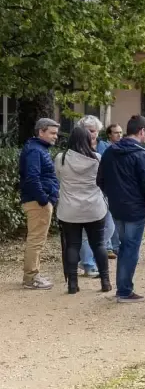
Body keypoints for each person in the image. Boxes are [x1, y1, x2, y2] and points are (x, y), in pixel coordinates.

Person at [97, 115, 145, 304]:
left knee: (123, 246)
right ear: (142, 131)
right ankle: (124, 290)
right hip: (135, 208)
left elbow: (100, 180)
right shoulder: (142, 154)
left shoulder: (109, 152)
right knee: (130, 248)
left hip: (116, 206)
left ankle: (122, 288)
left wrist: (113, 195)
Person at [55, 126, 112, 294]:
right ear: (88, 140)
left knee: (72, 245)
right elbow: (103, 180)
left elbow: (58, 177)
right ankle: (105, 281)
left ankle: (72, 284)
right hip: (94, 207)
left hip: (69, 209)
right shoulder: (97, 158)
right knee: (99, 244)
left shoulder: (61, 158)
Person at [19, 118, 60, 290]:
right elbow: (32, 178)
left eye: (56, 133)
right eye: (52, 133)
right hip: (38, 202)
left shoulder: (37, 148)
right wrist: (44, 199)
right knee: (36, 240)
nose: (55, 137)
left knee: (36, 239)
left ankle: (33, 274)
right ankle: (31, 278)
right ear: (41, 132)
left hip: (38, 200)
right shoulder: (35, 151)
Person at [76, 115, 115, 277]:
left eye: (96, 131)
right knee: (86, 232)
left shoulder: (104, 147)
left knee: (109, 228)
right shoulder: (76, 148)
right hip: (84, 195)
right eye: (91, 131)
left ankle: (88, 256)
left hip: (103, 194)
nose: (95, 135)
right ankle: (88, 264)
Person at [102, 123, 123, 258]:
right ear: (109, 134)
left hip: (117, 187)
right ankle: (107, 246)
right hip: (107, 186)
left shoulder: (120, 147)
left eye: (121, 132)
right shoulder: (104, 146)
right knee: (108, 218)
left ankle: (114, 246)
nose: (119, 135)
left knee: (115, 218)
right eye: (116, 132)